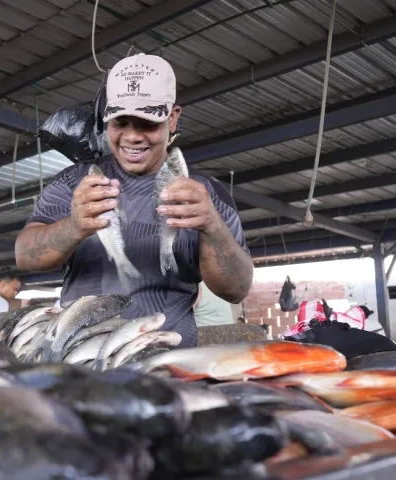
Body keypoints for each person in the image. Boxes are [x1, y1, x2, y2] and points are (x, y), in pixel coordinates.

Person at [14, 53, 253, 348]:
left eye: (146, 122)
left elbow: (236, 290)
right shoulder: (74, 182)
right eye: (120, 122)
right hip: (80, 358)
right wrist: (74, 227)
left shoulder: (206, 194)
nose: (132, 136)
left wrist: (212, 227)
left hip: (164, 363)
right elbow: (25, 256)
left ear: (173, 117)